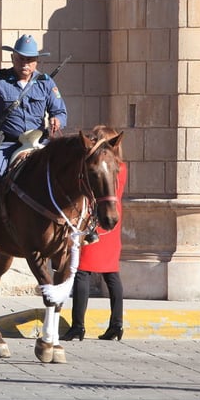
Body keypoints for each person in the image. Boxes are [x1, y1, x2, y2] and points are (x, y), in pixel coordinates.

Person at [0, 34, 67, 258]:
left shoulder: (46, 83)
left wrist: (57, 120)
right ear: (12, 57)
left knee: (67, 174)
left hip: (39, 142)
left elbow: (60, 111)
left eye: (30, 59)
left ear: (37, 61)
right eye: (21, 58)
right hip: (8, 144)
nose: (25, 63)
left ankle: (76, 230)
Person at [61, 125, 127, 342]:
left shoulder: (101, 165)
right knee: (112, 275)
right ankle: (116, 324)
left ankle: (78, 326)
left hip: (95, 221)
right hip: (113, 223)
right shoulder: (121, 167)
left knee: (82, 271)